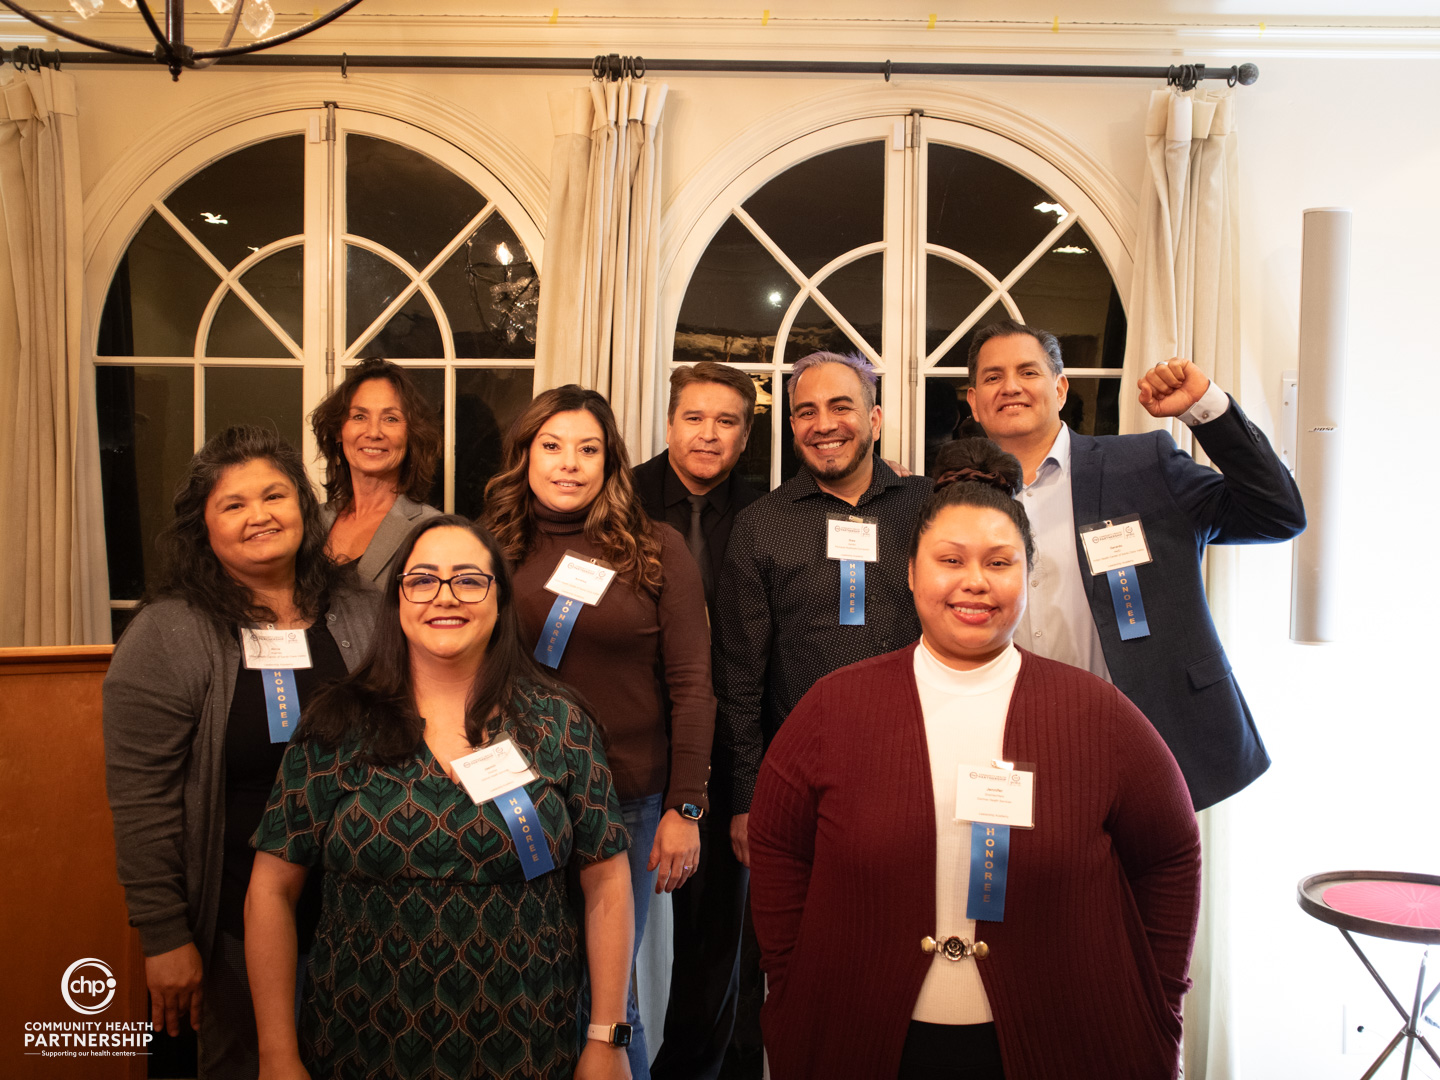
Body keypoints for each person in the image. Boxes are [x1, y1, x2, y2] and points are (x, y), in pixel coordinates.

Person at [748, 438, 1202, 1080]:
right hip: (864, 1038)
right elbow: (777, 846)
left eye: (999, 562)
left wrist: (1158, 1002)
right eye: (951, 560)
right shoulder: (834, 708)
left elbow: (1170, 855)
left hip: (1061, 1043)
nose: (975, 582)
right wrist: (790, 981)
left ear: (1027, 575)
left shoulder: (1098, 714)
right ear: (911, 572)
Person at [245, 516, 635, 1080]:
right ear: (397, 599)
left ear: (499, 599)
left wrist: (608, 1039)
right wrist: (276, 1053)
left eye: (469, 580)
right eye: (423, 579)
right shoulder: (334, 725)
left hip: (529, 1043)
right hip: (359, 1044)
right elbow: (270, 891)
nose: (445, 596)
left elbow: (608, 885)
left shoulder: (561, 724)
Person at [103, 425, 379, 1079]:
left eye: (275, 495)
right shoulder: (167, 633)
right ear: (203, 526)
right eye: (234, 504)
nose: (260, 515)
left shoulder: (361, 611)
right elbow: (141, 801)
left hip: (361, 919)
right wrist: (165, 937)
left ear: (303, 507)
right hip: (230, 921)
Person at [966, 320, 1305, 810]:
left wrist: (1205, 408)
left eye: (1028, 371)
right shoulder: (958, 498)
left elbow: (1277, 514)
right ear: (974, 401)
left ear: (1060, 389)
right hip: (1011, 754)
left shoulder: (1143, 465)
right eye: (993, 377)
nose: (1011, 386)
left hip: (1145, 745)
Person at [483, 386, 715, 1080]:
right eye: (552, 446)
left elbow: (693, 685)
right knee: (529, 980)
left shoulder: (656, 548)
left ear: (610, 462)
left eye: (588, 450)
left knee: (606, 992)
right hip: (519, 797)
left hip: (629, 800)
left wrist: (686, 805)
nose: (569, 464)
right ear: (525, 455)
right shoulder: (490, 545)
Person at [713, 350, 932, 867]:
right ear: (792, 426)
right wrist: (746, 798)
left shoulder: (929, 506)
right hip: (803, 778)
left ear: (875, 419)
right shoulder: (761, 524)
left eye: (841, 407)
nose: (824, 425)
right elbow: (738, 677)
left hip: (921, 763)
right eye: (806, 411)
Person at [632, 363, 762, 1080]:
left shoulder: (767, 511)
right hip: (635, 741)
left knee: (715, 941)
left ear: (745, 436)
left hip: (730, 742)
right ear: (670, 422)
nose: (708, 434)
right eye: (694, 417)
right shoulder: (618, 498)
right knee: (613, 926)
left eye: (726, 421)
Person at [311, 357, 443, 584]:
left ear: (411, 435)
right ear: (339, 432)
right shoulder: (311, 520)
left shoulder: (431, 529)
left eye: (391, 419)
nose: (373, 432)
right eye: (359, 416)